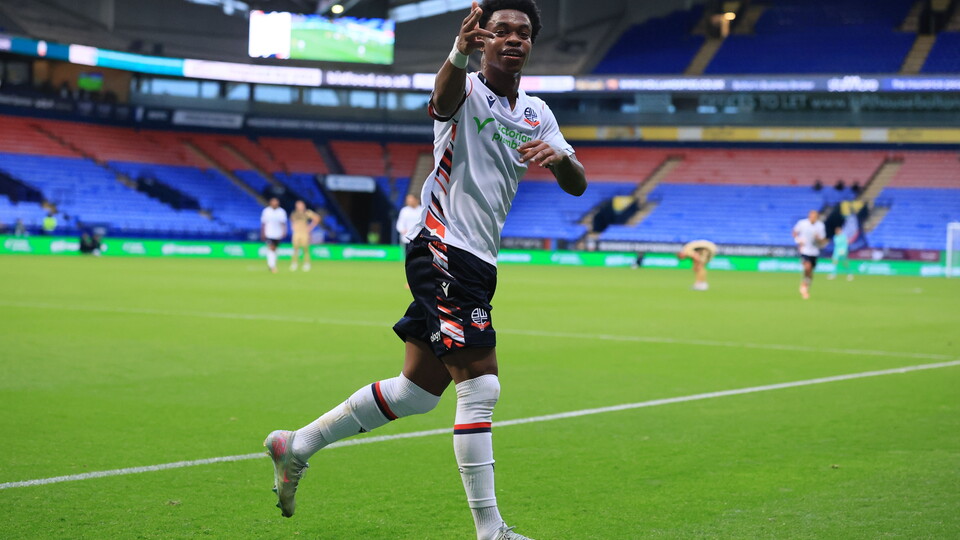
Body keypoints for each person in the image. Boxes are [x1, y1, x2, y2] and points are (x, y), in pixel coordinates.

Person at [263, 2, 586, 539]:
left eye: (524, 32)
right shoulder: (466, 89)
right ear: (483, 40)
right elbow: (442, 99)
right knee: (480, 385)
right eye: (501, 30)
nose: (513, 39)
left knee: (416, 391)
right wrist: (457, 52)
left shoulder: (538, 113)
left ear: (532, 43)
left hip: (478, 259)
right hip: (443, 246)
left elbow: (577, 183)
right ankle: (491, 531)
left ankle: (296, 444)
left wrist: (562, 160)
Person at [793, 209, 826, 299]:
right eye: (811, 216)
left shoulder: (820, 226)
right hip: (805, 250)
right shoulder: (802, 223)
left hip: (815, 251)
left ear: (817, 217)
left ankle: (806, 284)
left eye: (815, 217)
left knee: (810, 271)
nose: (813, 218)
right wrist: (798, 240)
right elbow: (794, 232)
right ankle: (804, 286)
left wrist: (818, 238)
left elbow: (822, 240)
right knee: (807, 267)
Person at [288, 200, 319, 272]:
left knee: (305, 249)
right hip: (296, 233)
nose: (300, 206)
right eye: (298, 205)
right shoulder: (294, 213)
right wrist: (293, 226)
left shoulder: (307, 212)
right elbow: (292, 220)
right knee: (295, 248)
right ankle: (294, 263)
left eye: (301, 205)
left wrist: (310, 227)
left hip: (304, 233)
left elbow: (317, 218)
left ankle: (306, 263)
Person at [260, 197, 287, 274]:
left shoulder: (281, 211)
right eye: (273, 202)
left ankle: (272, 264)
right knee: (271, 247)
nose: (274, 203)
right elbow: (263, 223)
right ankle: (272, 266)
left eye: (276, 202)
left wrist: (284, 231)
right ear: (270, 203)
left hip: (277, 234)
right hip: (269, 233)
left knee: (275, 249)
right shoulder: (266, 211)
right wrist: (263, 232)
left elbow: (283, 223)